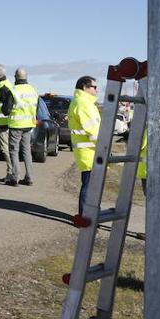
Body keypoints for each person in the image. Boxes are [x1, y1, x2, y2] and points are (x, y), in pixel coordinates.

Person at [69, 76, 101, 228]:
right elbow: (93, 131)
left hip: (90, 150)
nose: (97, 89)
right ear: (84, 87)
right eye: (94, 87)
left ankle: (89, 215)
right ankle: (85, 217)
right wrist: (104, 146)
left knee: (91, 186)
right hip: (89, 151)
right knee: (89, 186)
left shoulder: (86, 103)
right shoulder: (83, 103)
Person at [7, 68, 39, 186]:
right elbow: (37, 106)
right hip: (29, 124)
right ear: (26, 77)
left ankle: (14, 177)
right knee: (27, 151)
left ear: (15, 77)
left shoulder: (14, 90)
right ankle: (29, 177)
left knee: (14, 151)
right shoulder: (33, 90)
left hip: (16, 125)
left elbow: (6, 109)